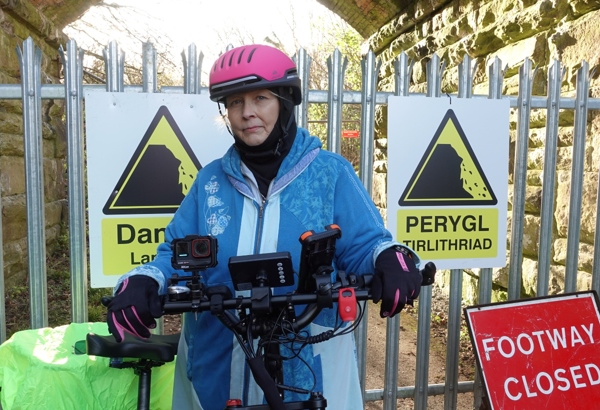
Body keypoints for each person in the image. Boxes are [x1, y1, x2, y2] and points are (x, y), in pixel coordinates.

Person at [105, 44, 422, 409]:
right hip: (217, 368)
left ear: (285, 103)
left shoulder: (330, 173)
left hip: (310, 367)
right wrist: (147, 279)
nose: (247, 113)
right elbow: (174, 255)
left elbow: (366, 244)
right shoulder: (210, 182)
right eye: (235, 103)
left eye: (260, 98)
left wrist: (390, 256)